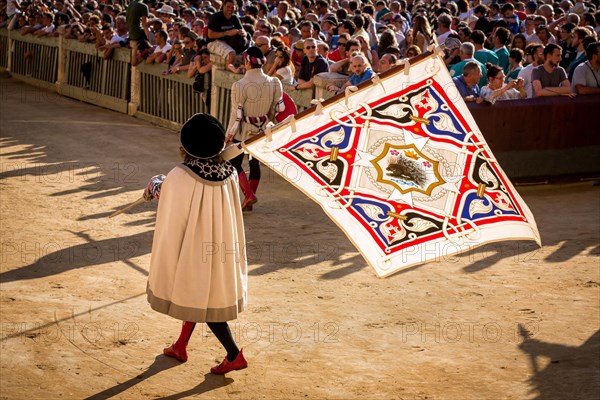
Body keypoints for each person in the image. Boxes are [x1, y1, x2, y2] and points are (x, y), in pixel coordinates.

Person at [144, 113, 248, 375]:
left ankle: (234, 354)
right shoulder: (230, 172)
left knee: (203, 297)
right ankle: (180, 345)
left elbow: (171, 199)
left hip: (196, 246)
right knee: (195, 292)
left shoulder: (181, 174)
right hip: (220, 246)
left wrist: (155, 186)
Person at [226, 47, 283, 211]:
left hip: (243, 130)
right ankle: (247, 199)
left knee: (234, 164)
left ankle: (249, 195)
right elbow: (276, 110)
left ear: (246, 62)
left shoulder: (239, 85)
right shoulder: (274, 82)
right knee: (254, 163)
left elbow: (235, 114)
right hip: (262, 129)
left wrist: (229, 133)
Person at [207, 0, 250, 67]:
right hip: (214, 41)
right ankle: (228, 72)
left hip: (230, 41)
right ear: (223, 6)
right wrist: (226, 33)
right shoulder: (216, 17)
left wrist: (243, 33)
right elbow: (210, 35)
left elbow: (243, 30)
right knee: (231, 54)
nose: (230, 9)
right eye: (228, 7)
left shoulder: (235, 17)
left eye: (232, 7)